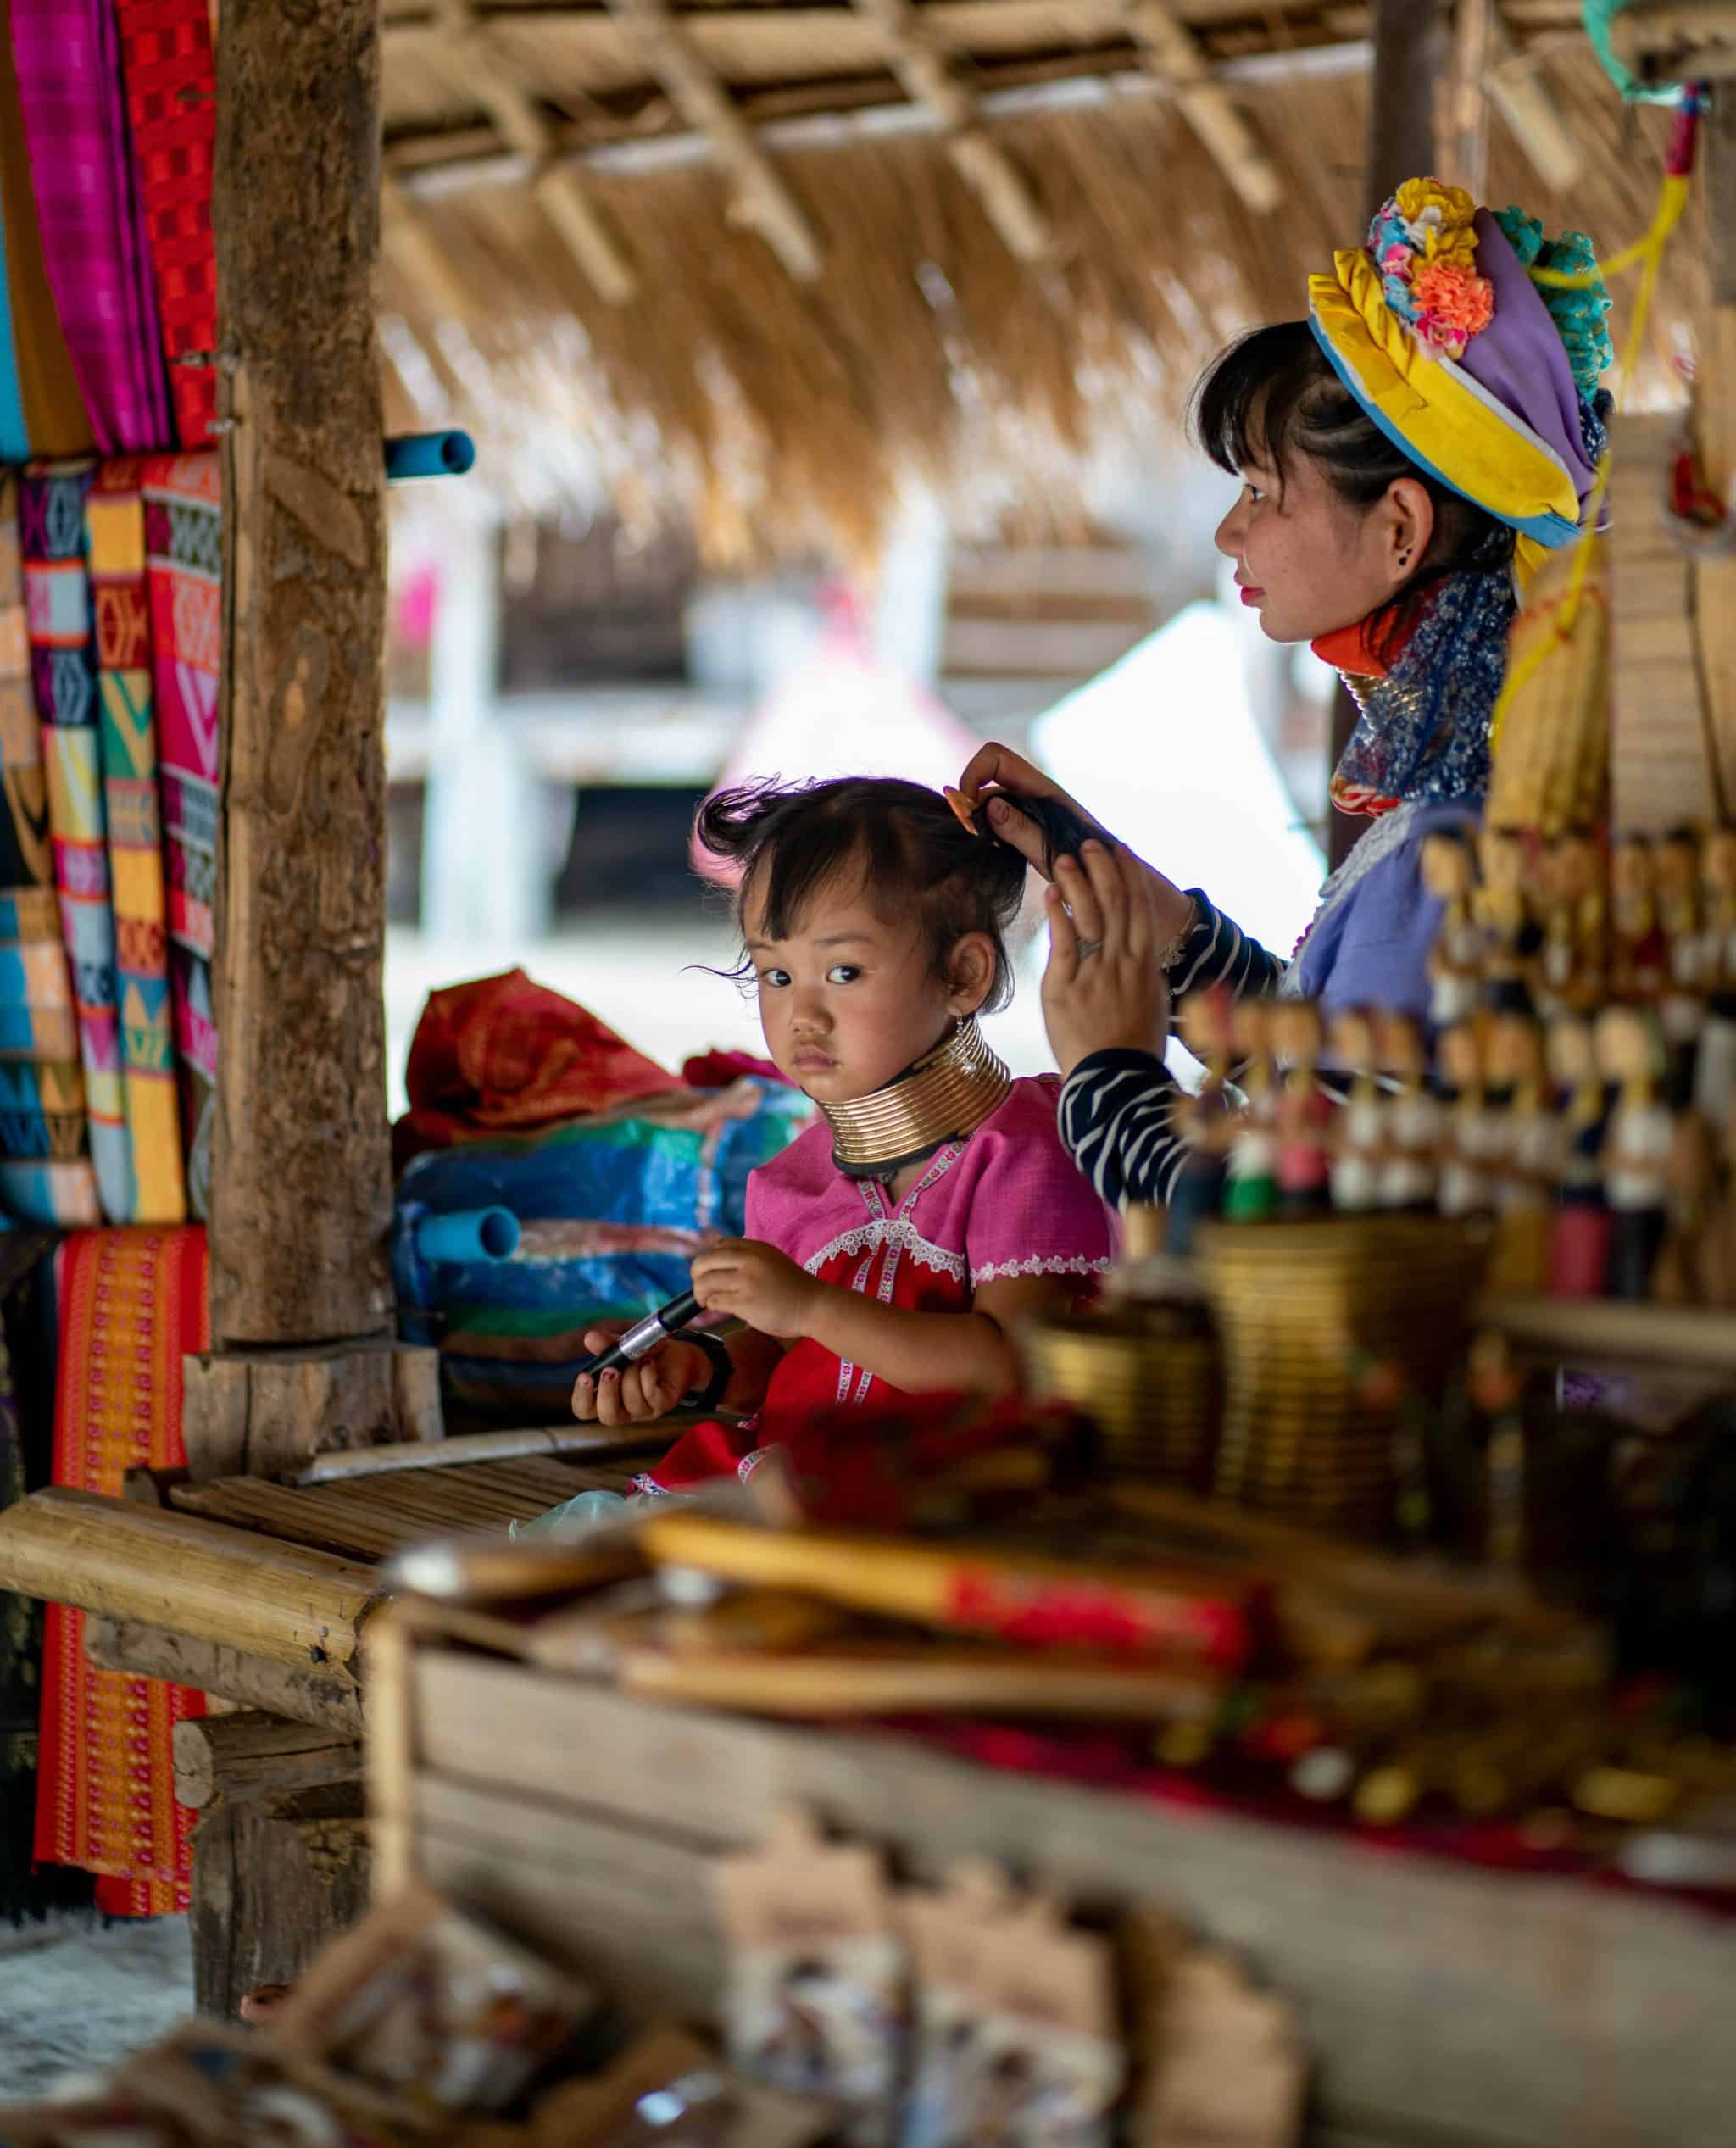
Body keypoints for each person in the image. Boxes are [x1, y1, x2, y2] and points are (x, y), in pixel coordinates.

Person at [953, 177, 1613, 1211]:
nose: (1229, 532)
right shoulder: (1491, 781)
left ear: (1398, 529)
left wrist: (1106, 1073)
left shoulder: (1453, 846)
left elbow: (1312, 1224)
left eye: (1260, 491)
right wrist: (1123, 892)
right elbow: (1335, 1070)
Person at [570, 776, 1116, 1486]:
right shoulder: (792, 1178)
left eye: (844, 970)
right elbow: (786, 1354)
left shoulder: (1024, 1155)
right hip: (794, 1483)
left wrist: (812, 1303)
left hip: (951, 1496)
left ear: (964, 974)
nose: (804, 1015)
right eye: (775, 975)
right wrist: (698, 1369)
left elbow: (1011, 1369)